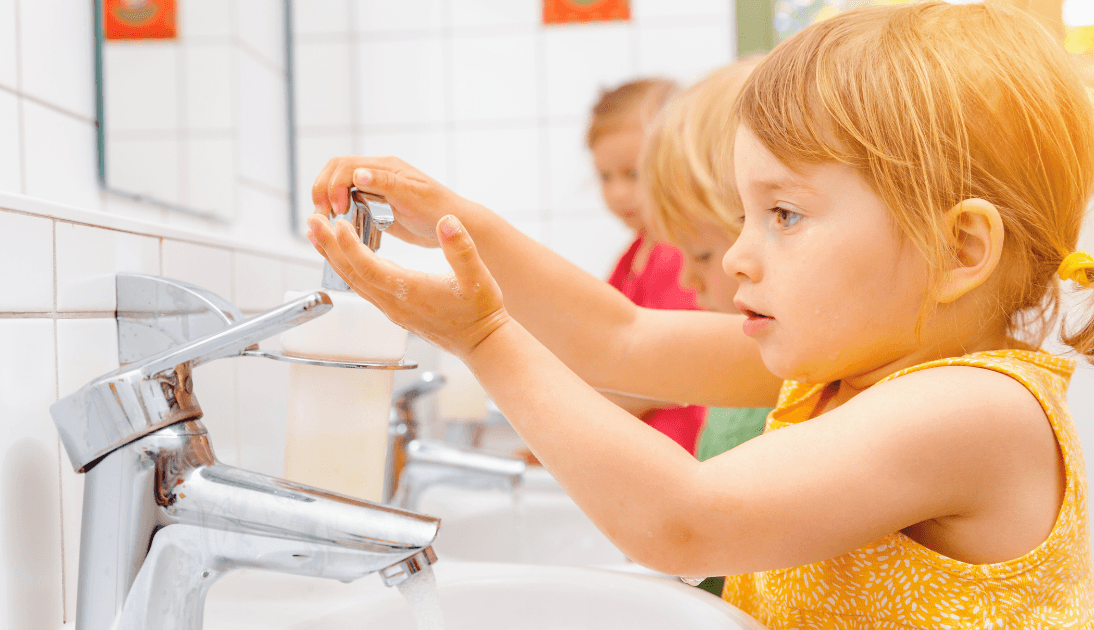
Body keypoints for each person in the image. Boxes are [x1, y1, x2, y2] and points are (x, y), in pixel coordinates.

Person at [306, 2, 1094, 626]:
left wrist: (481, 337)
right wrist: (455, 220)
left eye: (784, 214)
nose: (741, 256)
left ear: (959, 250)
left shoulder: (977, 409)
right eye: (745, 217)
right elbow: (620, 335)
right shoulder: (840, 368)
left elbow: (681, 522)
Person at [637, 58, 772, 598]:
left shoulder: (790, 366)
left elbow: (619, 338)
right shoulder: (756, 354)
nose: (689, 278)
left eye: (699, 253)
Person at [587, 77, 707, 456]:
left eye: (632, 174)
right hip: (649, 451)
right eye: (605, 177)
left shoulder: (679, 253)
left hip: (682, 449)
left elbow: (674, 373)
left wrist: (584, 414)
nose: (617, 193)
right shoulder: (634, 254)